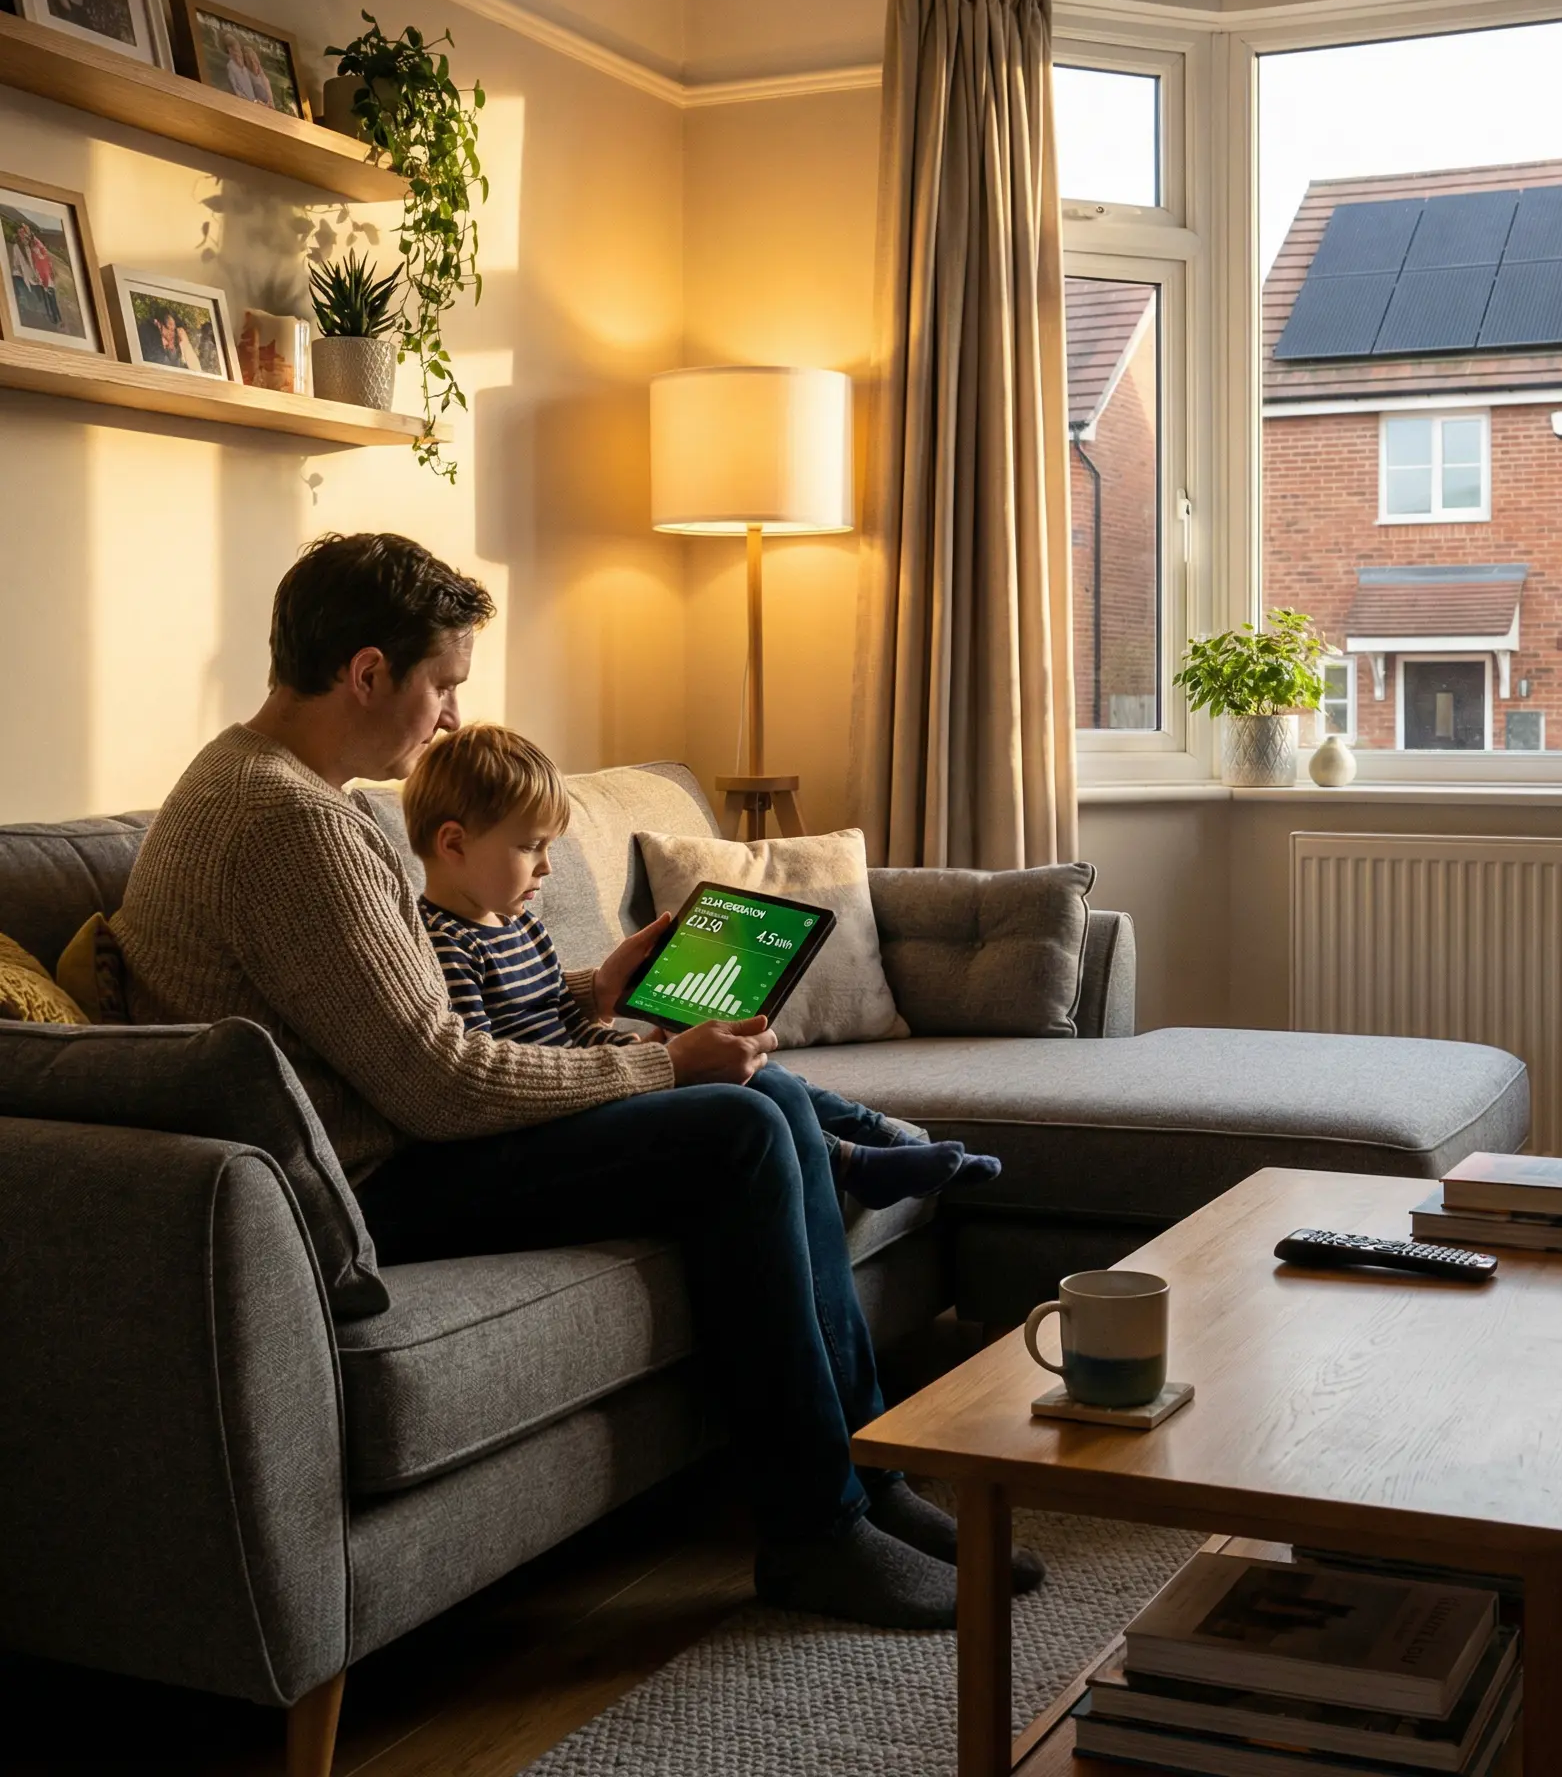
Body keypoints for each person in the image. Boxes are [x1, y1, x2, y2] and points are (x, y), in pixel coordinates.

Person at [115, 532, 1039, 1627]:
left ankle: (864, 1482)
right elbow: (441, 1081)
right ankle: (813, 1529)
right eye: (441, 685)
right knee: (734, 1129)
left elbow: (415, 1018)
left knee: (771, 1100)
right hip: (370, 1187)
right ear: (367, 672)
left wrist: (598, 996)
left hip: (398, 1142)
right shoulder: (286, 822)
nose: (450, 716)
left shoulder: (262, 782)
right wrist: (660, 1060)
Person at [402, 720, 998, 1211]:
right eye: (531, 846)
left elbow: (567, 1022)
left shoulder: (521, 923)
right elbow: (492, 1070)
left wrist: (632, 1049)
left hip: (595, 1083)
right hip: (553, 1117)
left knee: (755, 1069)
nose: (547, 869)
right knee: (734, 1092)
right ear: (454, 844)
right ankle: (851, 1160)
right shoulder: (445, 943)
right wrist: (646, 1064)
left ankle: (882, 1137)